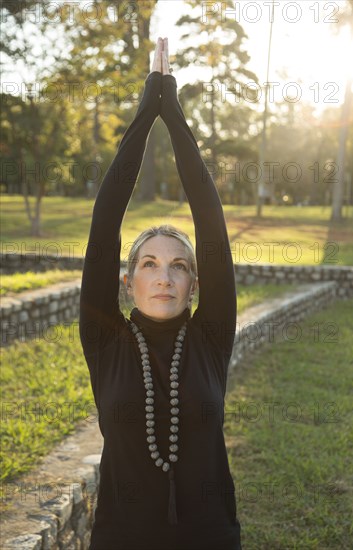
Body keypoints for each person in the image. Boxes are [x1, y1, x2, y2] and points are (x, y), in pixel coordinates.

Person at [79, 37, 242, 550]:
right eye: (149, 265)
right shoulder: (105, 341)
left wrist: (175, 114)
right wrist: (149, 108)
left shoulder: (212, 338)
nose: (164, 277)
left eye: (178, 266)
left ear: (196, 282)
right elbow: (103, 229)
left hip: (210, 537)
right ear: (128, 282)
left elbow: (211, 226)